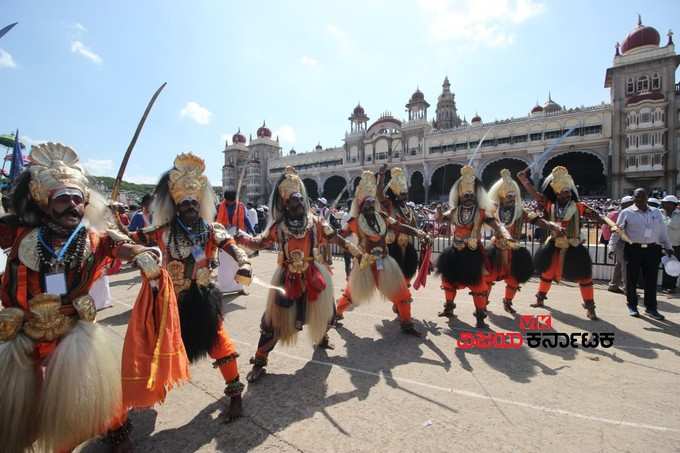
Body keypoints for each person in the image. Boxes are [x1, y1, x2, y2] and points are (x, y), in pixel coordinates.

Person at [0, 142, 160, 452]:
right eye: (62, 199)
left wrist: (140, 254)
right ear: (43, 201)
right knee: (19, 409)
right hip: (23, 332)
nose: (72, 205)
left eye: (77, 198)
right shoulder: (17, 233)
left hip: (73, 330)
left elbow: (121, 246)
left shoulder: (92, 237)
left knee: (94, 390)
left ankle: (117, 432)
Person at [131, 153, 253, 420]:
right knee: (150, 349)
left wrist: (244, 264)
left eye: (193, 201)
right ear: (175, 204)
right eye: (184, 201)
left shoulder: (210, 230)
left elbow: (233, 248)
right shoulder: (161, 230)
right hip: (168, 303)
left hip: (202, 300)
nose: (189, 205)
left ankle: (235, 395)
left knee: (221, 346)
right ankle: (144, 395)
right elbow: (129, 240)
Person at [236, 167, 361, 382]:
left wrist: (354, 250)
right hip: (287, 278)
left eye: (300, 200)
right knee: (273, 323)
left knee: (323, 313)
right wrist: (241, 237)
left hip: (313, 273)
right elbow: (260, 242)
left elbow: (335, 238)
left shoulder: (316, 223)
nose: (299, 203)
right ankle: (259, 360)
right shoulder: (280, 227)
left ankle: (321, 338)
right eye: (294, 201)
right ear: (286, 205)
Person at [336, 170, 430, 336]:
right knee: (352, 294)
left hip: (385, 262)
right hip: (365, 264)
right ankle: (336, 314)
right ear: (360, 205)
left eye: (373, 203)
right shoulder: (353, 221)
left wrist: (418, 232)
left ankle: (406, 324)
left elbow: (399, 227)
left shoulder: (383, 216)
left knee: (402, 293)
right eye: (367, 203)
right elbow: (339, 238)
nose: (371, 206)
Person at [517, 166, 603, 320]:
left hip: (573, 246)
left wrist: (610, 224)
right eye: (564, 192)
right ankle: (540, 299)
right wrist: (525, 181)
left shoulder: (579, 207)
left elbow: (596, 216)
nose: (567, 194)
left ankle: (591, 308)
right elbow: (536, 196)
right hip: (554, 245)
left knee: (585, 278)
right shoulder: (550, 205)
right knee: (547, 273)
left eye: (569, 191)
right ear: (557, 193)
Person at [435, 165, 508, 328]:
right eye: (465, 194)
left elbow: (494, 223)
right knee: (448, 281)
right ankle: (448, 308)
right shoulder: (454, 211)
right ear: (460, 195)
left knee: (477, 285)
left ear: (475, 195)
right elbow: (440, 219)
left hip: (473, 253)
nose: (468, 196)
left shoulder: (482, 212)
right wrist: (439, 212)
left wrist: (500, 230)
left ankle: (480, 316)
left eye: (470, 194)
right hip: (454, 252)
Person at [485, 169, 544, 314]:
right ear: (501, 196)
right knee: (488, 277)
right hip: (496, 248)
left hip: (515, 249)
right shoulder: (493, 210)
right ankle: (482, 303)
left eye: (513, 195)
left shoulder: (521, 210)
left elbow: (535, 219)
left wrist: (550, 225)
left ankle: (508, 302)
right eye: (508, 196)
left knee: (514, 279)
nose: (511, 198)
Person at [610, 188, 672, 320]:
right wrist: (612, 247)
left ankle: (651, 308)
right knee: (631, 280)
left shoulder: (656, 212)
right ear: (633, 198)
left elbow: (662, 231)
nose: (639, 200)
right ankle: (632, 306)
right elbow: (617, 231)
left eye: (642, 197)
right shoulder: (626, 212)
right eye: (637, 197)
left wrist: (668, 246)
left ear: (647, 198)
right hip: (633, 249)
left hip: (652, 250)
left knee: (651, 280)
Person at [376, 166, 421, 290]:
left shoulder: (408, 209)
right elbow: (379, 194)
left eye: (406, 194)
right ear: (395, 193)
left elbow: (414, 227)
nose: (405, 196)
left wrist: (422, 235)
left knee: (405, 279)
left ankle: (401, 301)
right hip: (391, 247)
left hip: (407, 248)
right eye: (402, 194)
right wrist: (381, 176)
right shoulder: (388, 204)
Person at [216, 190, 254, 294]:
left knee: (240, 263)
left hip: (238, 236)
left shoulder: (241, 206)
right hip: (224, 238)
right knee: (225, 265)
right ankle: (223, 288)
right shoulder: (220, 206)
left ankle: (240, 288)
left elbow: (245, 219)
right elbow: (216, 221)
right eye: (229, 202)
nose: (231, 203)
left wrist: (252, 231)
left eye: (233, 201)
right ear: (226, 199)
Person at [608, 195, 634, 293]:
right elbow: (616, 232)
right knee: (626, 267)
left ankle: (613, 285)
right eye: (630, 203)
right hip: (623, 244)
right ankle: (628, 289)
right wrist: (611, 247)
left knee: (619, 265)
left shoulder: (625, 213)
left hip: (622, 244)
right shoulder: (624, 214)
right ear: (624, 205)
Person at [660, 195, 680, 294]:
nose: (664, 205)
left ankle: (671, 287)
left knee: (673, 266)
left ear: (673, 205)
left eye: (666, 203)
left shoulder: (678, 215)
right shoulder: (660, 213)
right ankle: (663, 285)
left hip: (675, 245)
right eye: (663, 203)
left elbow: (675, 226)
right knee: (660, 266)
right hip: (660, 245)